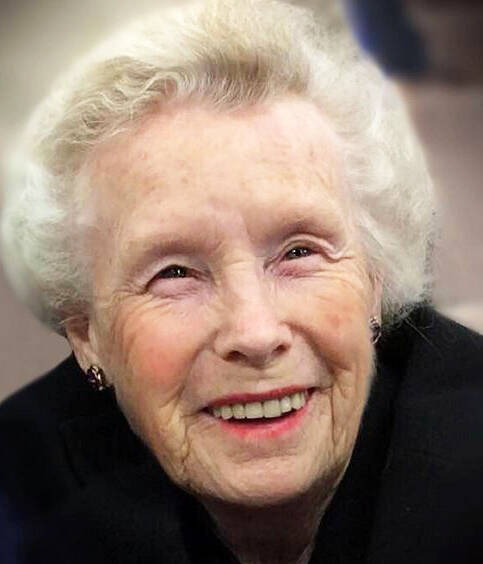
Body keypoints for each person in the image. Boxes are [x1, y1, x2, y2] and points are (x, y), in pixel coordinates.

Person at [0, 1, 482, 563]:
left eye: (299, 252)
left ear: (375, 280)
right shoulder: (17, 490)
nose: (255, 334)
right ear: (87, 334)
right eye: (174, 273)